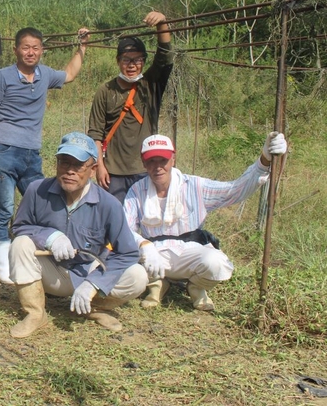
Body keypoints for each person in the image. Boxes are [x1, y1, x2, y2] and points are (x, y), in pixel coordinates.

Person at [123, 132, 287, 310]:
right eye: (151, 161)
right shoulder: (136, 191)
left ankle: (196, 286)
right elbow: (125, 229)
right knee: (126, 257)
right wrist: (145, 245)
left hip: (188, 253)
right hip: (155, 255)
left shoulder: (194, 186)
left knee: (216, 263)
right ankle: (156, 284)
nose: (157, 167)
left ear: (172, 159)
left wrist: (264, 161)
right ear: (143, 162)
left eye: (162, 160)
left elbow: (235, 190)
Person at [9, 132, 147, 338]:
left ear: (92, 170)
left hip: (88, 272)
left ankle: (94, 307)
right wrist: (49, 237)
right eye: (64, 163)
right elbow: (19, 227)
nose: (69, 171)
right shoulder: (37, 191)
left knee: (137, 276)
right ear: (56, 163)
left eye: (78, 165)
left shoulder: (109, 204)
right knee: (20, 244)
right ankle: (36, 314)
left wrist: (94, 284)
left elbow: (127, 253)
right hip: (51, 273)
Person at [0, 26, 90, 284]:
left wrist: (82, 46)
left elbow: (71, 73)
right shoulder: (3, 76)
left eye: (36, 47)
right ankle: (2, 267)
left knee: (43, 206)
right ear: (16, 49)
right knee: (4, 209)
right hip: (4, 150)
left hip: (32, 154)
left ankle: (43, 256)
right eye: (25, 47)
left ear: (42, 50)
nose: (31, 52)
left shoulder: (45, 75)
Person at [87, 11, 173, 203]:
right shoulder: (106, 90)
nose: (132, 65)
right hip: (113, 173)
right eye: (126, 60)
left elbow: (165, 56)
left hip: (146, 169)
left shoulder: (150, 85)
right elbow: (95, 134)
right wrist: (100, 166)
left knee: (147, 219)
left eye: (138, 60)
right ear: (118, 61)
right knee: (115, 222)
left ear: (143, 62)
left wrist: (162, 23)